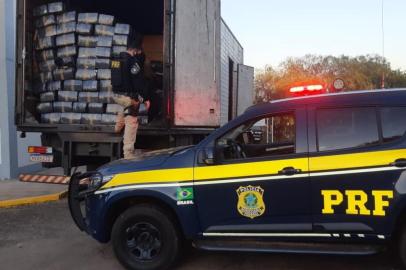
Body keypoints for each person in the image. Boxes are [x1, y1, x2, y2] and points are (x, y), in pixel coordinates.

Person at [112, 32, 150, 159]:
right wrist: (144, 98)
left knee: (124, 105)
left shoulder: (116, 59)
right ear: (136, 48)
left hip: (116, 95)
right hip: (128, 97)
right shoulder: (133, 62)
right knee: (132, 121)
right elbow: (138, 82)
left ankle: (117, 127)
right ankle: (128, 153)